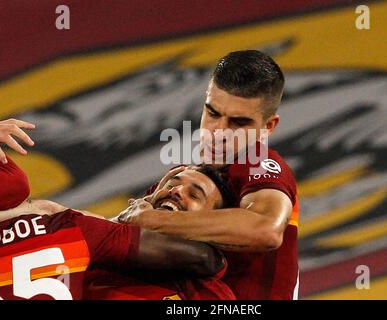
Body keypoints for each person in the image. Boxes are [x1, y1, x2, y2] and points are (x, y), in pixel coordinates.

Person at [120, 50, 300, 300]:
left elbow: (266, 229)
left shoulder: (261, 163)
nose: (219, 131)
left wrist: (153, 220)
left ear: (267, 127)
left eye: (238, 123)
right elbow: (115, 232)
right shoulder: (183, 180)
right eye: (213, 113)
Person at [0, 121, 235, 300]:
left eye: (194, 195)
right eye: (172, 184)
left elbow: (207, 259)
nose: (176, 191)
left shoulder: (205, 291)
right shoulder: (83, 240)